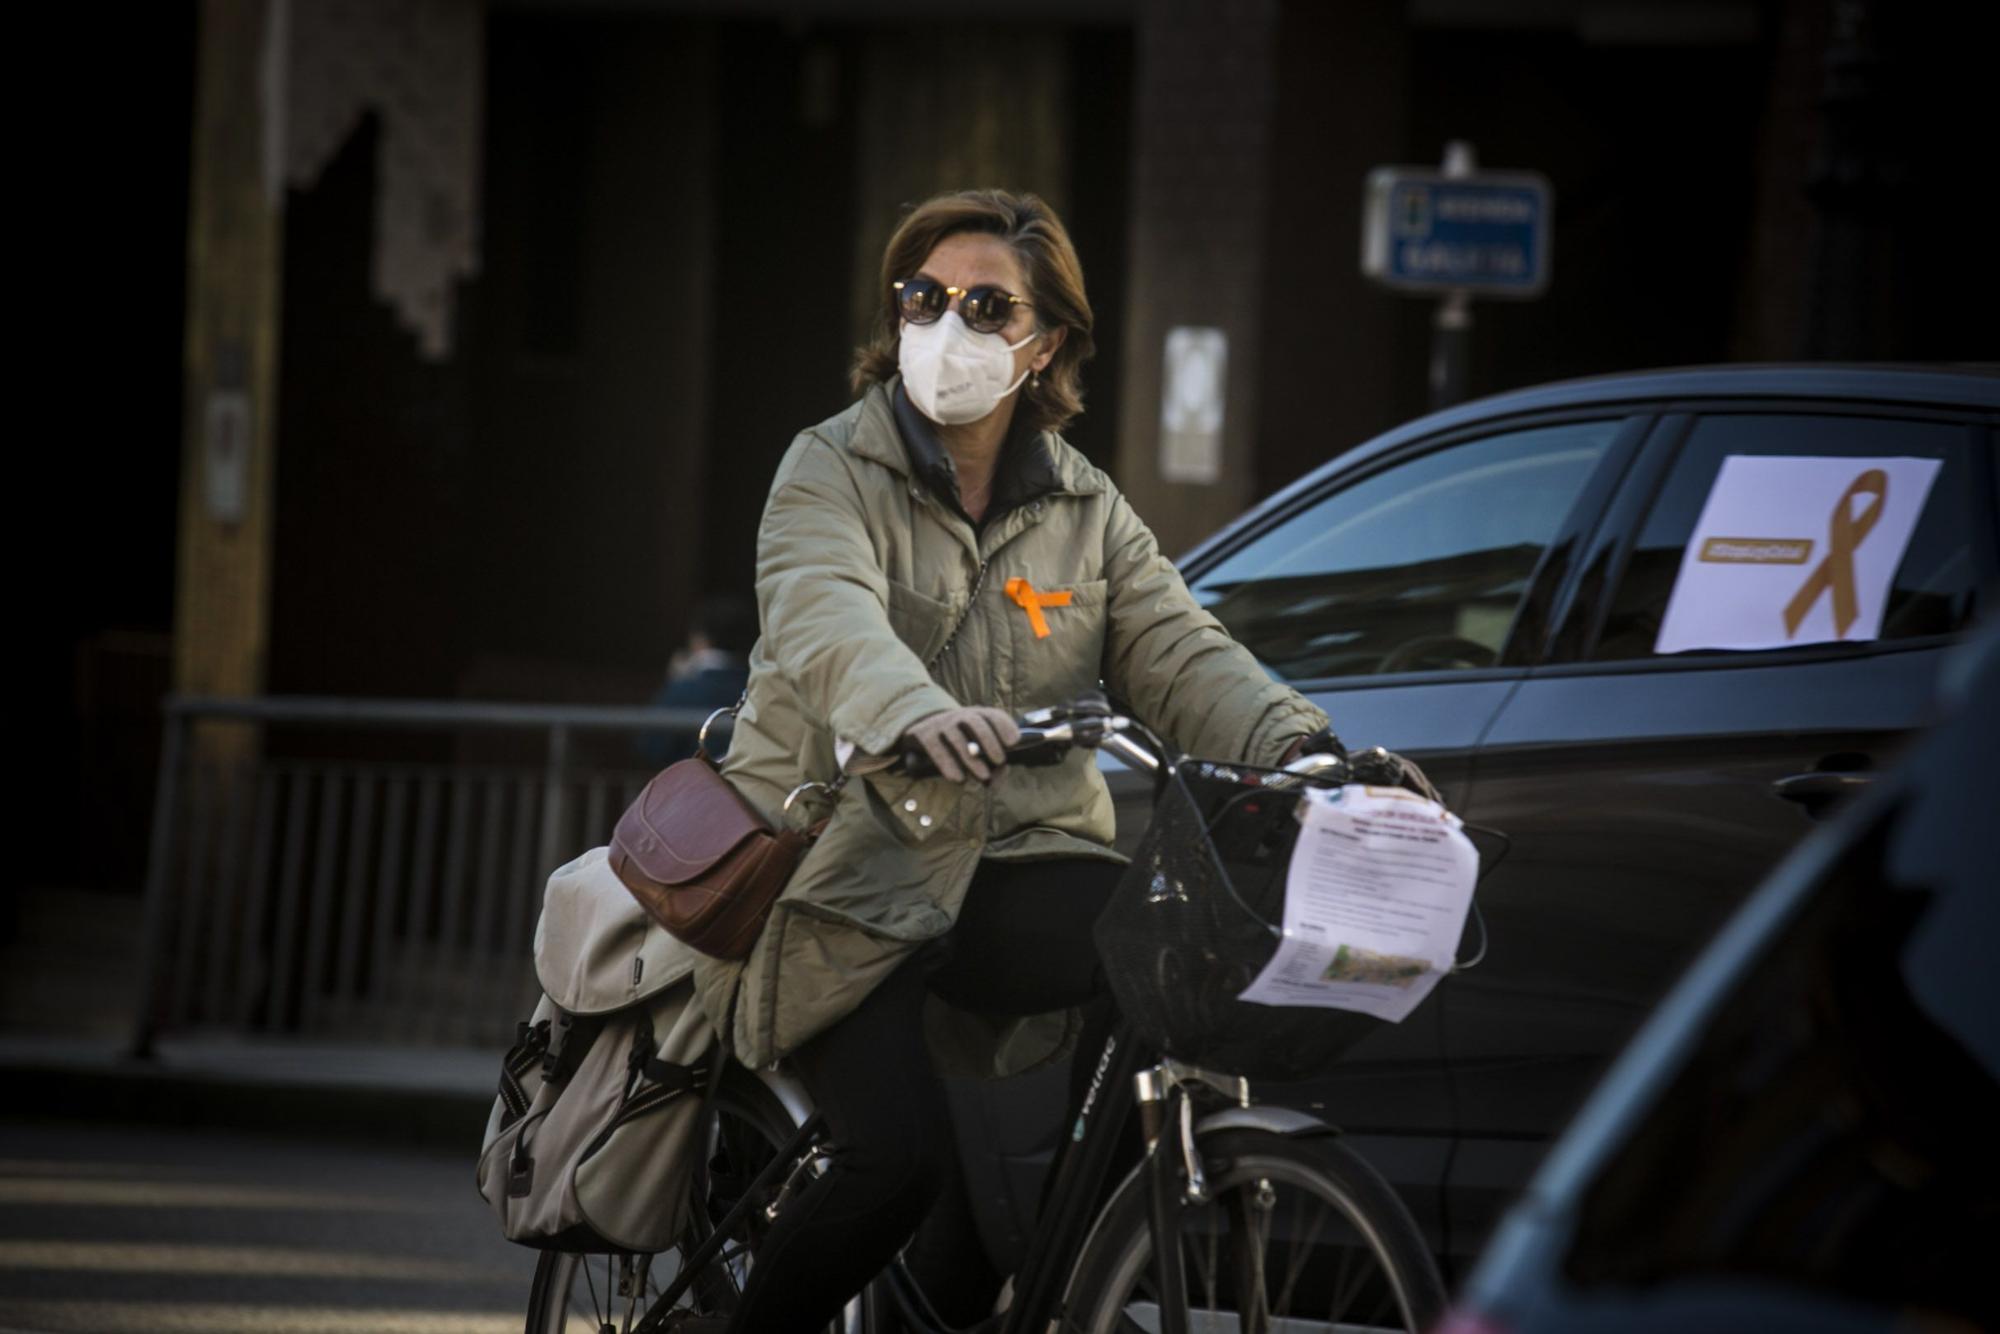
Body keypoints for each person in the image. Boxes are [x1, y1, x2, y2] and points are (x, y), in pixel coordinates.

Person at [687, 189, 1423, 1332]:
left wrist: (1309, 749)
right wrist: (911, 707)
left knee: (1154, 931)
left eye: (987, 306)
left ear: (1048, 345)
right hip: (837, 873)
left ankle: (1045, 1269)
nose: (947, 328)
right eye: (923, 298)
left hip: (1006, 853)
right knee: (894, 1160)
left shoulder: (1085, 509)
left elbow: (1180, 650)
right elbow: (824, 614)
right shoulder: (824, 470)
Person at [639, 594, 756, 767]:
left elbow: (650, 746)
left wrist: (675, 682)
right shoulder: (757, 687)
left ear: (700, 637)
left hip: (689, 789)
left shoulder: (684, 688)